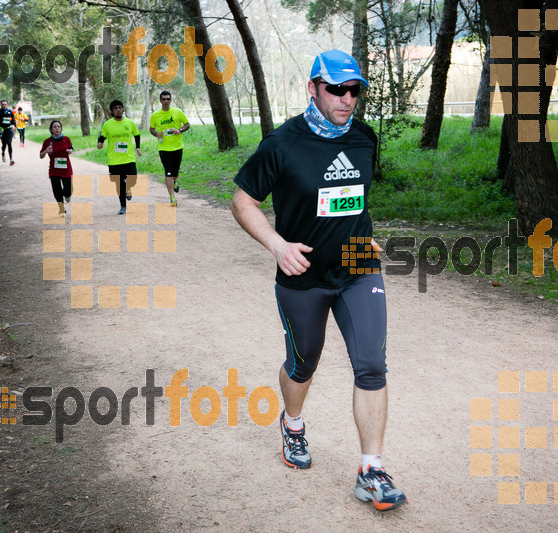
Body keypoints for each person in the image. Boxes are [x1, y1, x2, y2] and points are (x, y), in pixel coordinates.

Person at [231, 49, 407, 512]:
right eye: (337, 89)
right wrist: (277, 246)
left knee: (371, 364)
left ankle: (371, 470)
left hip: (356, 269)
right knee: (303, 363)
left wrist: (366, 236)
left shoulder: (366, 139)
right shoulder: (282, 143)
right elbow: (242, 202)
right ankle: (292, 424)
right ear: (313, 89)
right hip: (302, 276)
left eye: (355, 91)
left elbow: (352, 198)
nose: (347, 99)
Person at [97, 99, 141, 215]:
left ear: (123, 109)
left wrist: (138, 147)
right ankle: (123, 206)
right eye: (115, 108)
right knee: (119, 183)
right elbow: (102, 136)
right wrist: (100, 143)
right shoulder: (107, 124)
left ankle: (128, 188)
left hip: (128, 158)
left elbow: (136, 134)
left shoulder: (129, 123)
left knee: (133, 178)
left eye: (120, 107)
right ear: (112, 111)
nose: (118, 110)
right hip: (114, 160)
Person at [149, 91, 189, 207]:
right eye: (164, 99)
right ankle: (172, 197)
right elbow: (151, 129)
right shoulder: (155, 115)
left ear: (170, 100)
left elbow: (187, 124)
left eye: (168, 99)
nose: (166, 101)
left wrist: (180, 130)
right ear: (160, 100)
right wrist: (157, 134)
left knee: (175, 173)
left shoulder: (177, 112)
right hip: (164, 148)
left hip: (177, 147)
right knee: (168, 172)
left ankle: (174, 181)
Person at [40, 120, 73, 217]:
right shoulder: (47, 141)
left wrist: (70, 150)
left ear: (61, 128)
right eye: (54, 127)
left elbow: (70, 148)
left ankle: (67, 195)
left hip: (66, 169)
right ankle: (62, 209)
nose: (57, 128)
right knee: (57, 190)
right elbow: (41, 155)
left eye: (58, 126)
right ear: (51, 129)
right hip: (54, 170)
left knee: (68, 190)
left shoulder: (66, 139)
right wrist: (45, 151)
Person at [0, 100, 16, 165]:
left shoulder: (9, 111)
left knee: (9, 143)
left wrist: (13, 122)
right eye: (3, 104)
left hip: (9, 130)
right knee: (4, 145)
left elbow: (13, 118)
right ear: (1, 105)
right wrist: (0, 120)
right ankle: (3, 153)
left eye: (5, 104)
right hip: (2, 130)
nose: (4, 105)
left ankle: (11, 159)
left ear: (7, 105)